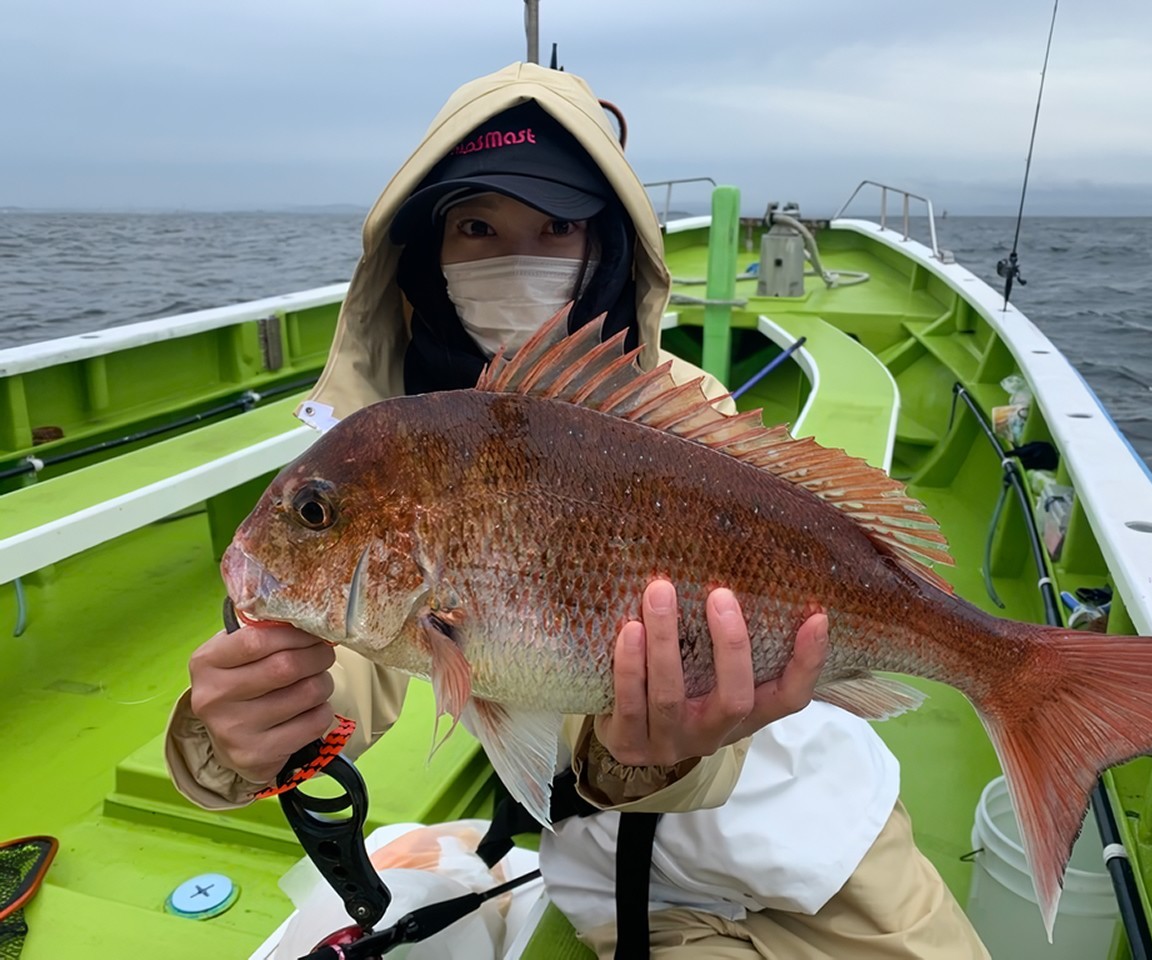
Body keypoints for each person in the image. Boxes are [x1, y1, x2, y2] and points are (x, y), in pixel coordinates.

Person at [165, 62, 988, 959]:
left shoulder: (682, 412)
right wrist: (231, 735)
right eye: (476, 225)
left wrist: (669, 751)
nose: (515, 255)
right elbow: (339, 683)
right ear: (422, 251)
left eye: (556, 225)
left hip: (822, 835)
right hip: (626, 894)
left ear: (605, 247)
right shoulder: (393, 451)